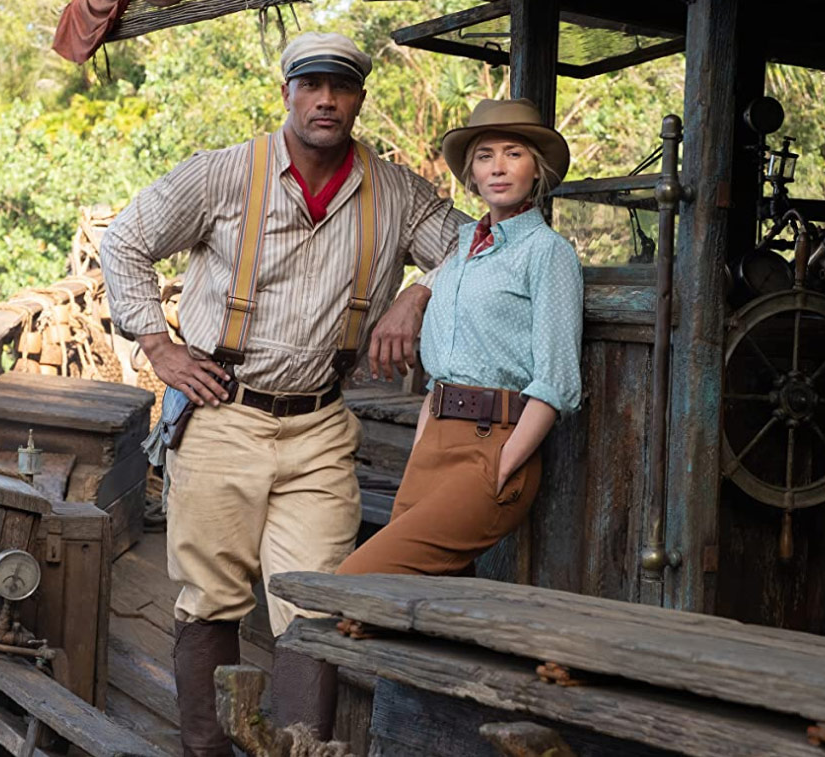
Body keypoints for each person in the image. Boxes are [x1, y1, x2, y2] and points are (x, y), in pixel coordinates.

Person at [100, 31, 470, 757]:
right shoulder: (224, 174)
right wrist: (160, 347)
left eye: (342, 87)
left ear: (360, 99)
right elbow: (125, 241)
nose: (326, 99)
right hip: (221, 413)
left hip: (320, 425)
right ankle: (205, 749)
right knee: (210, 598)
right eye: (312, 85)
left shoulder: (394, 191)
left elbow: (476, 246)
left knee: (314, 603)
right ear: (287, 94)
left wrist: (420, 291)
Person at [336, 98, 583, 583]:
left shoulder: (548, 253)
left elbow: (556, 380)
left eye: (514, 153)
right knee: (430, 603)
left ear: (537, 169)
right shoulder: (462, 250)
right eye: (485, 156)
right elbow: (440, 368)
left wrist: (504, 464)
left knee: (360, 582)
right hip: (433, 444)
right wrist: (425, 442)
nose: (498, 167)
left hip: (495, 446)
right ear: (471, 173)